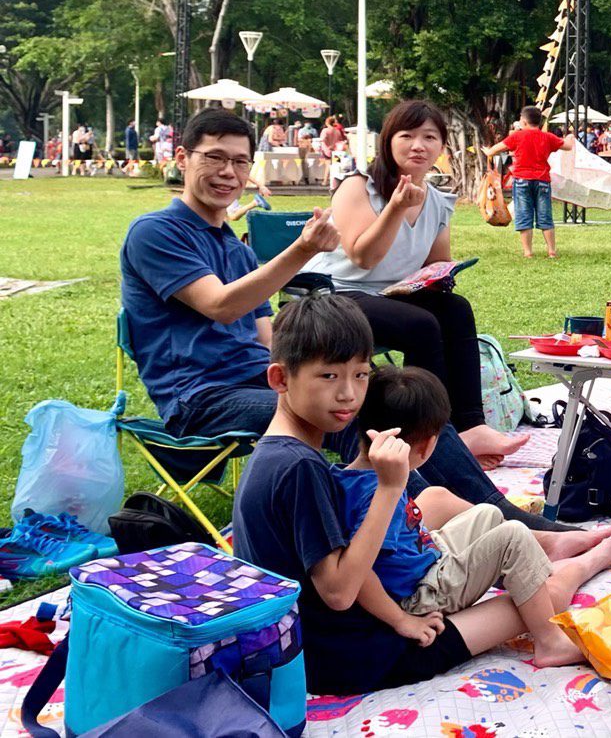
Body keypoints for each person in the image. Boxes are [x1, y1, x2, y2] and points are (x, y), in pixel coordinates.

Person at [119, 108, 560, 532]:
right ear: (182, 159)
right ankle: (432, 525)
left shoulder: (234, 248)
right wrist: (303, 251)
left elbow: (263, 333)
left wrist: (327, 371)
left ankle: (496, 512)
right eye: (214, 158)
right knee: (350, 415)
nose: (227, 172)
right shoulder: (157, 232)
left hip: (265, 378)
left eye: (239, 161)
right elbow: (221, 305)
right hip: (201, 399)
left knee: (401, 400)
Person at [233, 297, 611, 696]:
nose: (349, 394)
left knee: (448, 508)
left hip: (323, 644)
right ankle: (578, 578)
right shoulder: (301, 469)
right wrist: (390, 488)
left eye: (361, 374)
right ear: (280, 379)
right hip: (355, 655)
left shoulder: (280, 455)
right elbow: (338, 592)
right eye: (329, 377)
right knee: (535, 600)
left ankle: (556, 554)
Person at [332, 363, 611, 671]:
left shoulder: (350, 476)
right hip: (420, 594)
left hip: (421, 555)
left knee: (487, 513)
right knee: (512, 535)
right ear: (425, 445)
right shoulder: (378, 493)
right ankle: (549, 642)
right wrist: (402, 619)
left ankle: (532, 565)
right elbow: (361, 572)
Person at [303, 100, 533, 466]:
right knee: (422, 325)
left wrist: (440, 278)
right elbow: (364, 257)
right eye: (406, 135)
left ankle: (469, 426)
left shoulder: (438, 201)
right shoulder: (357, 188)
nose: (418, 145)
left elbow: (434, 262)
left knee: (455, 310)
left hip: (390, 296)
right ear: (388, 142)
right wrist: (394, 208)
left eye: (430, 137)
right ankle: (429, 435)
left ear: (442, 146)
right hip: (334, 294)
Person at [485, 105, 577, 260]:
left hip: (522, 180)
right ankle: (552, 252)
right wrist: (570, 137)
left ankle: (528, 252)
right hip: (542, 181)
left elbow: (495, 150)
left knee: (524, 215)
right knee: (545, 216)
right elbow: (568, 146)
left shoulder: (517, 136)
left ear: (524, 121)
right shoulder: (547, 137)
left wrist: (487, 151)